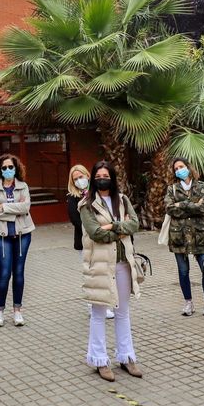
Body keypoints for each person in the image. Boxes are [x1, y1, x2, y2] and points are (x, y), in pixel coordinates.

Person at [80, 161, 143, 382]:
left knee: (123, 312)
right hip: (99, 265)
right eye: (98, 176)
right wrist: (119, 228)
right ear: (93, 179)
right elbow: (96, 233)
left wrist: (112, 226)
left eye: (106, 175)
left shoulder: (123, 200)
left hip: (123, 263)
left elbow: (135, 224)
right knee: (98, 314)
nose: (102, 178)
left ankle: (126, 357)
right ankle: (99, 360)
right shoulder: (86, 204)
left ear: (113, 178)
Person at [164, 158, 204, 319]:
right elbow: (169, 208)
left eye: (181, 166)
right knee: (183, 272)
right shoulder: (172, 189)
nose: (179, 170)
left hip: (200, 235)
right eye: (176, 168)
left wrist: (181, 204)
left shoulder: (201, 186)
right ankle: (188, 303)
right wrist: (192, 204)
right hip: (179, 236)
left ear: (188, 167)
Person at [0, 153, 34, 327]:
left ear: (16, 168)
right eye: (4, 167)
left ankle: (17, 311)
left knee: (19, 272)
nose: (8, 170)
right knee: (4, 273)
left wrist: (4, 207)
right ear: (0, 169)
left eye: (11, 167)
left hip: (23, 234)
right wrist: (16, 208)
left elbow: (26, 207)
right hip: (1, 235)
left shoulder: (23, 186)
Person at [67, 164, 112, 319]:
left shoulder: (98, 193)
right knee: (92, 273)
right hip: (85, 241)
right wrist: (95, 229)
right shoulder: (73, 198)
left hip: (104, 238)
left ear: (88, 176)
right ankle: (92, 305)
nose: (80, 180)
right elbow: (76, 220)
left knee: (105, 272)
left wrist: (103, 230)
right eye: (76, 179)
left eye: (82, 176)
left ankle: (106, 304)